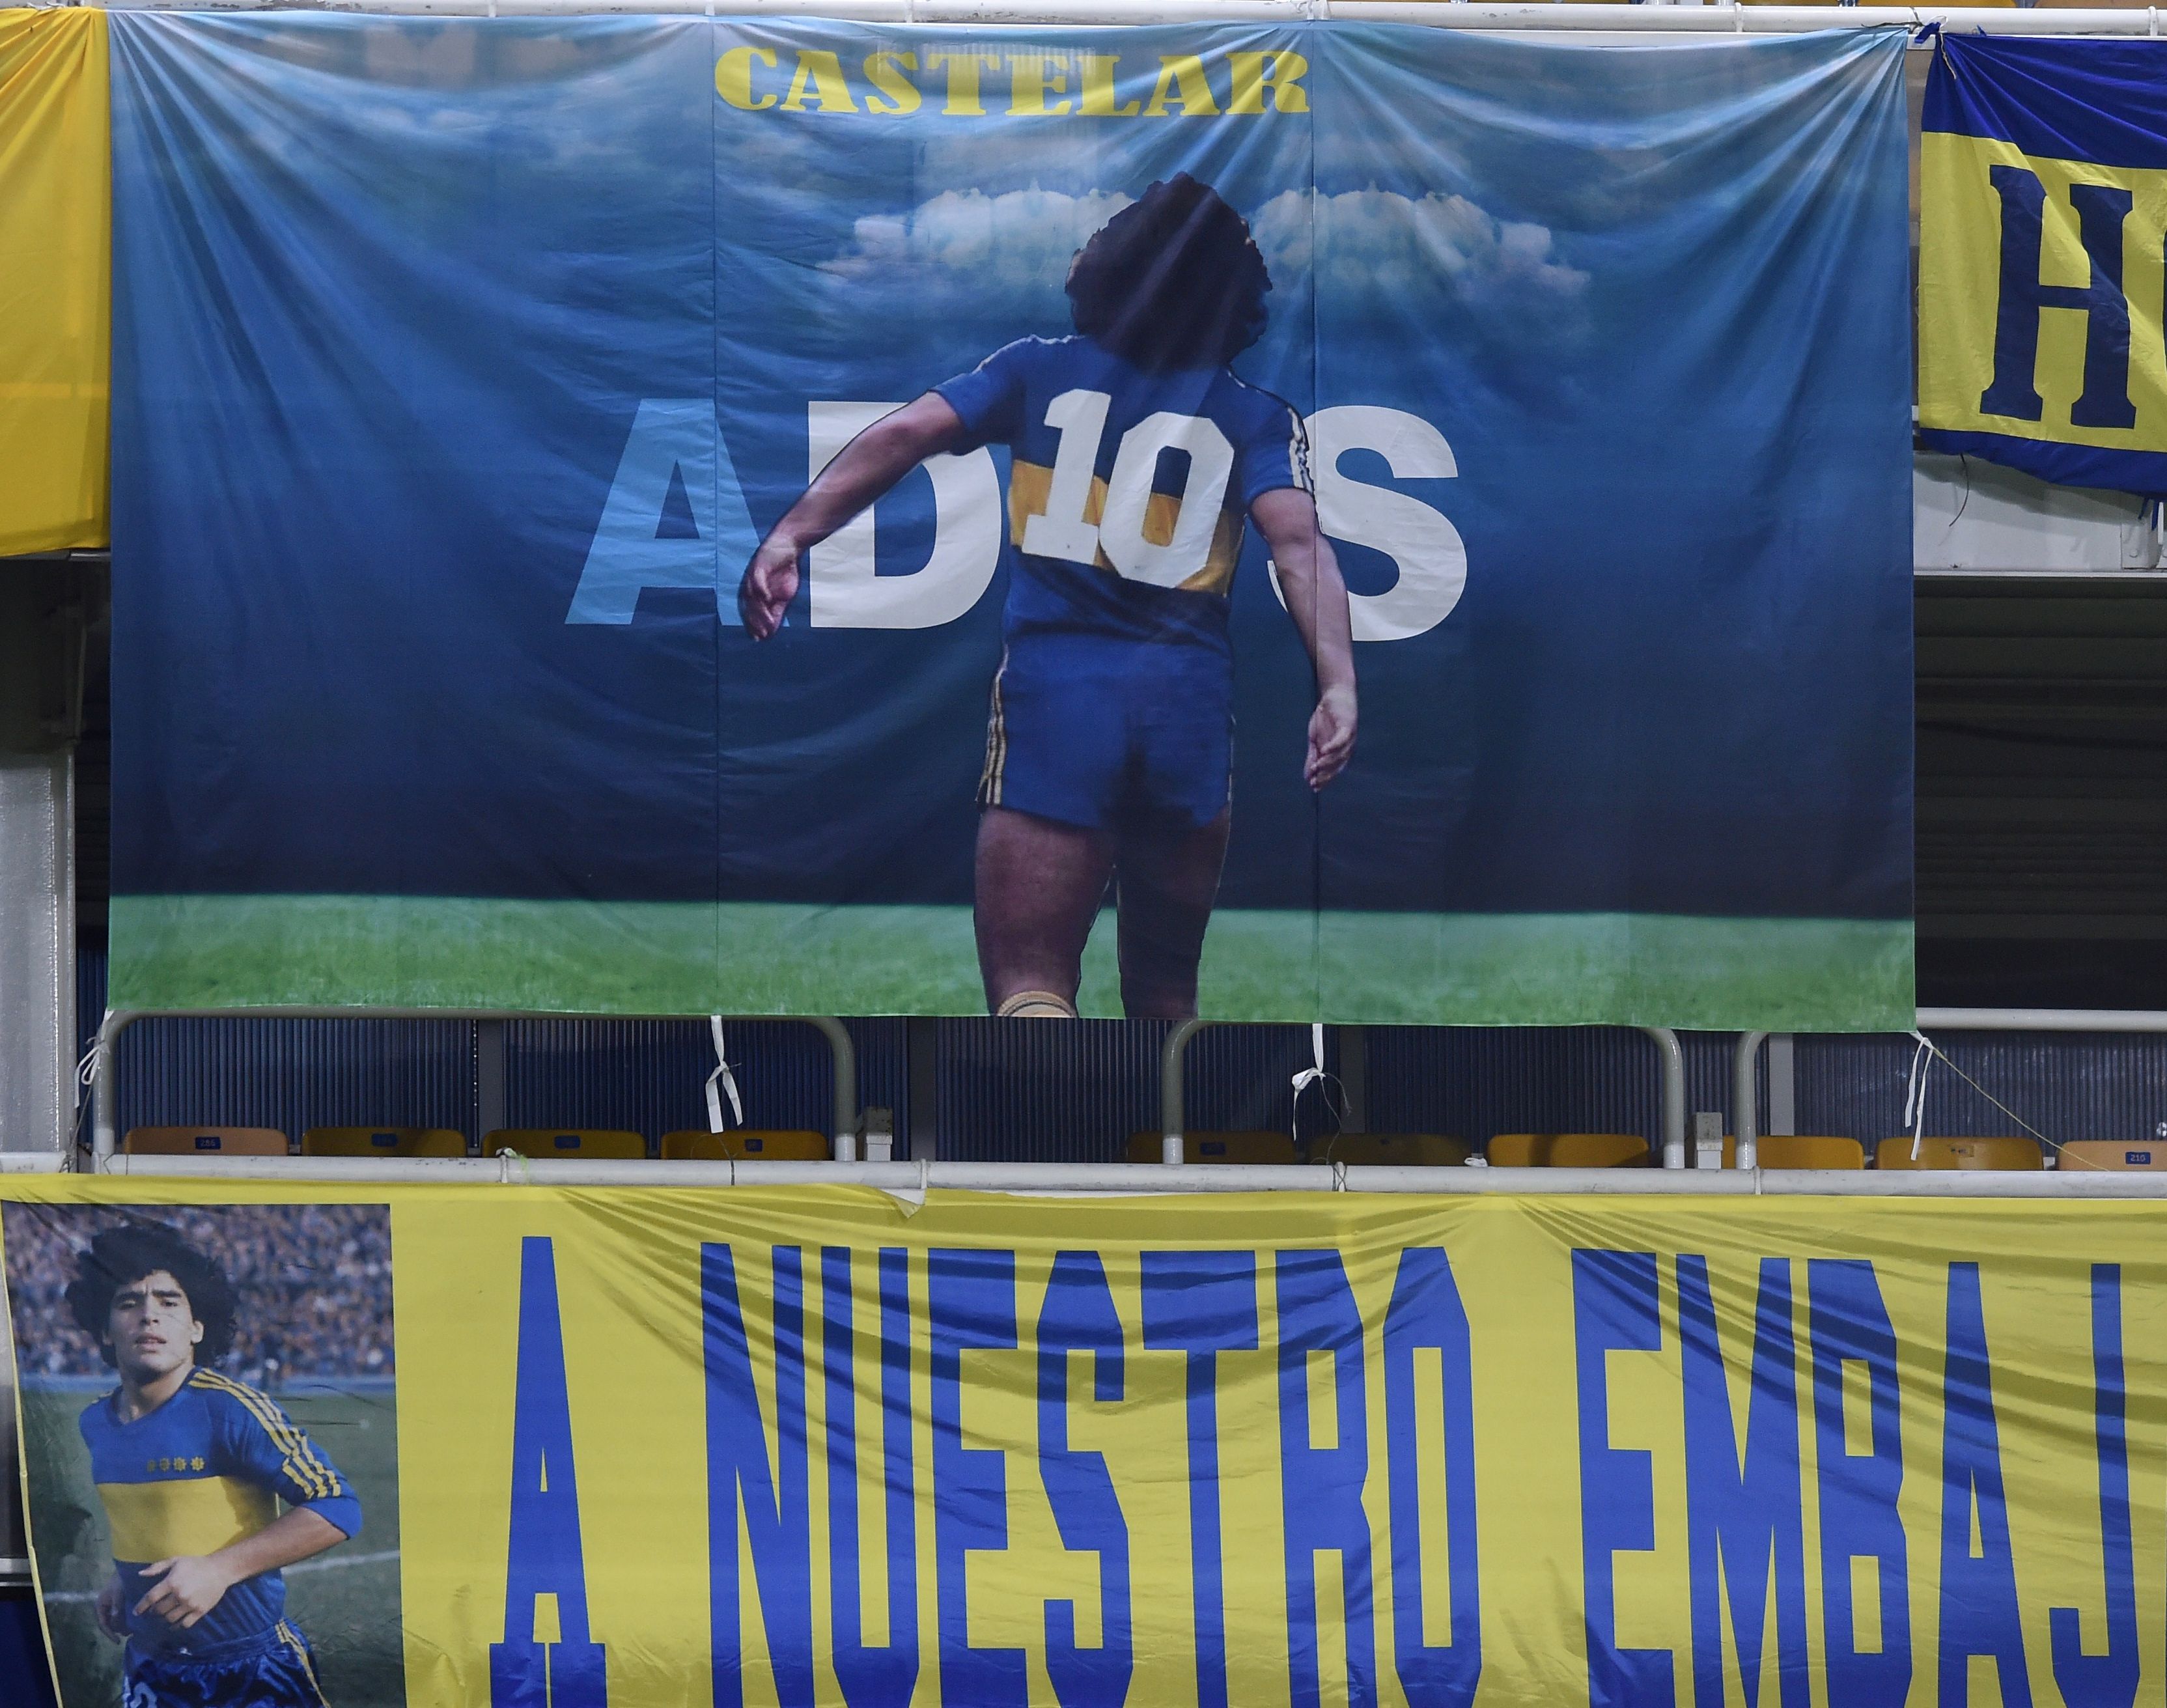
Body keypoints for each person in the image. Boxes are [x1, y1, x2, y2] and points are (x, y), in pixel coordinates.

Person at [741, 173, 1356, 1020]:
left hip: (1059, 694)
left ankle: (1049, 1150)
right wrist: (1339, 685)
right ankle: (1170, 1152)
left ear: (1106, 267)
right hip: (1187, 704)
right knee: (1168, 995)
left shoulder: (1035, 372)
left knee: (1031, 984)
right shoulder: (1254, 416)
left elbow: (903, 433)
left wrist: (789, 535)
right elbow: (1299, 546)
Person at [64, 1222, 360, 1708]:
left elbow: (339, 1506)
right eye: (128, 1302)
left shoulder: (230, 1409)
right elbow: (160, 1517)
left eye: (169, 1301)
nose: (149, 1316)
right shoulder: (95, 1421)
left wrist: (220, 1569)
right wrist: (128, 1575)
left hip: (254, 1668)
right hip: (152, 1666)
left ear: (197, 1327)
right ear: (104, 1327)